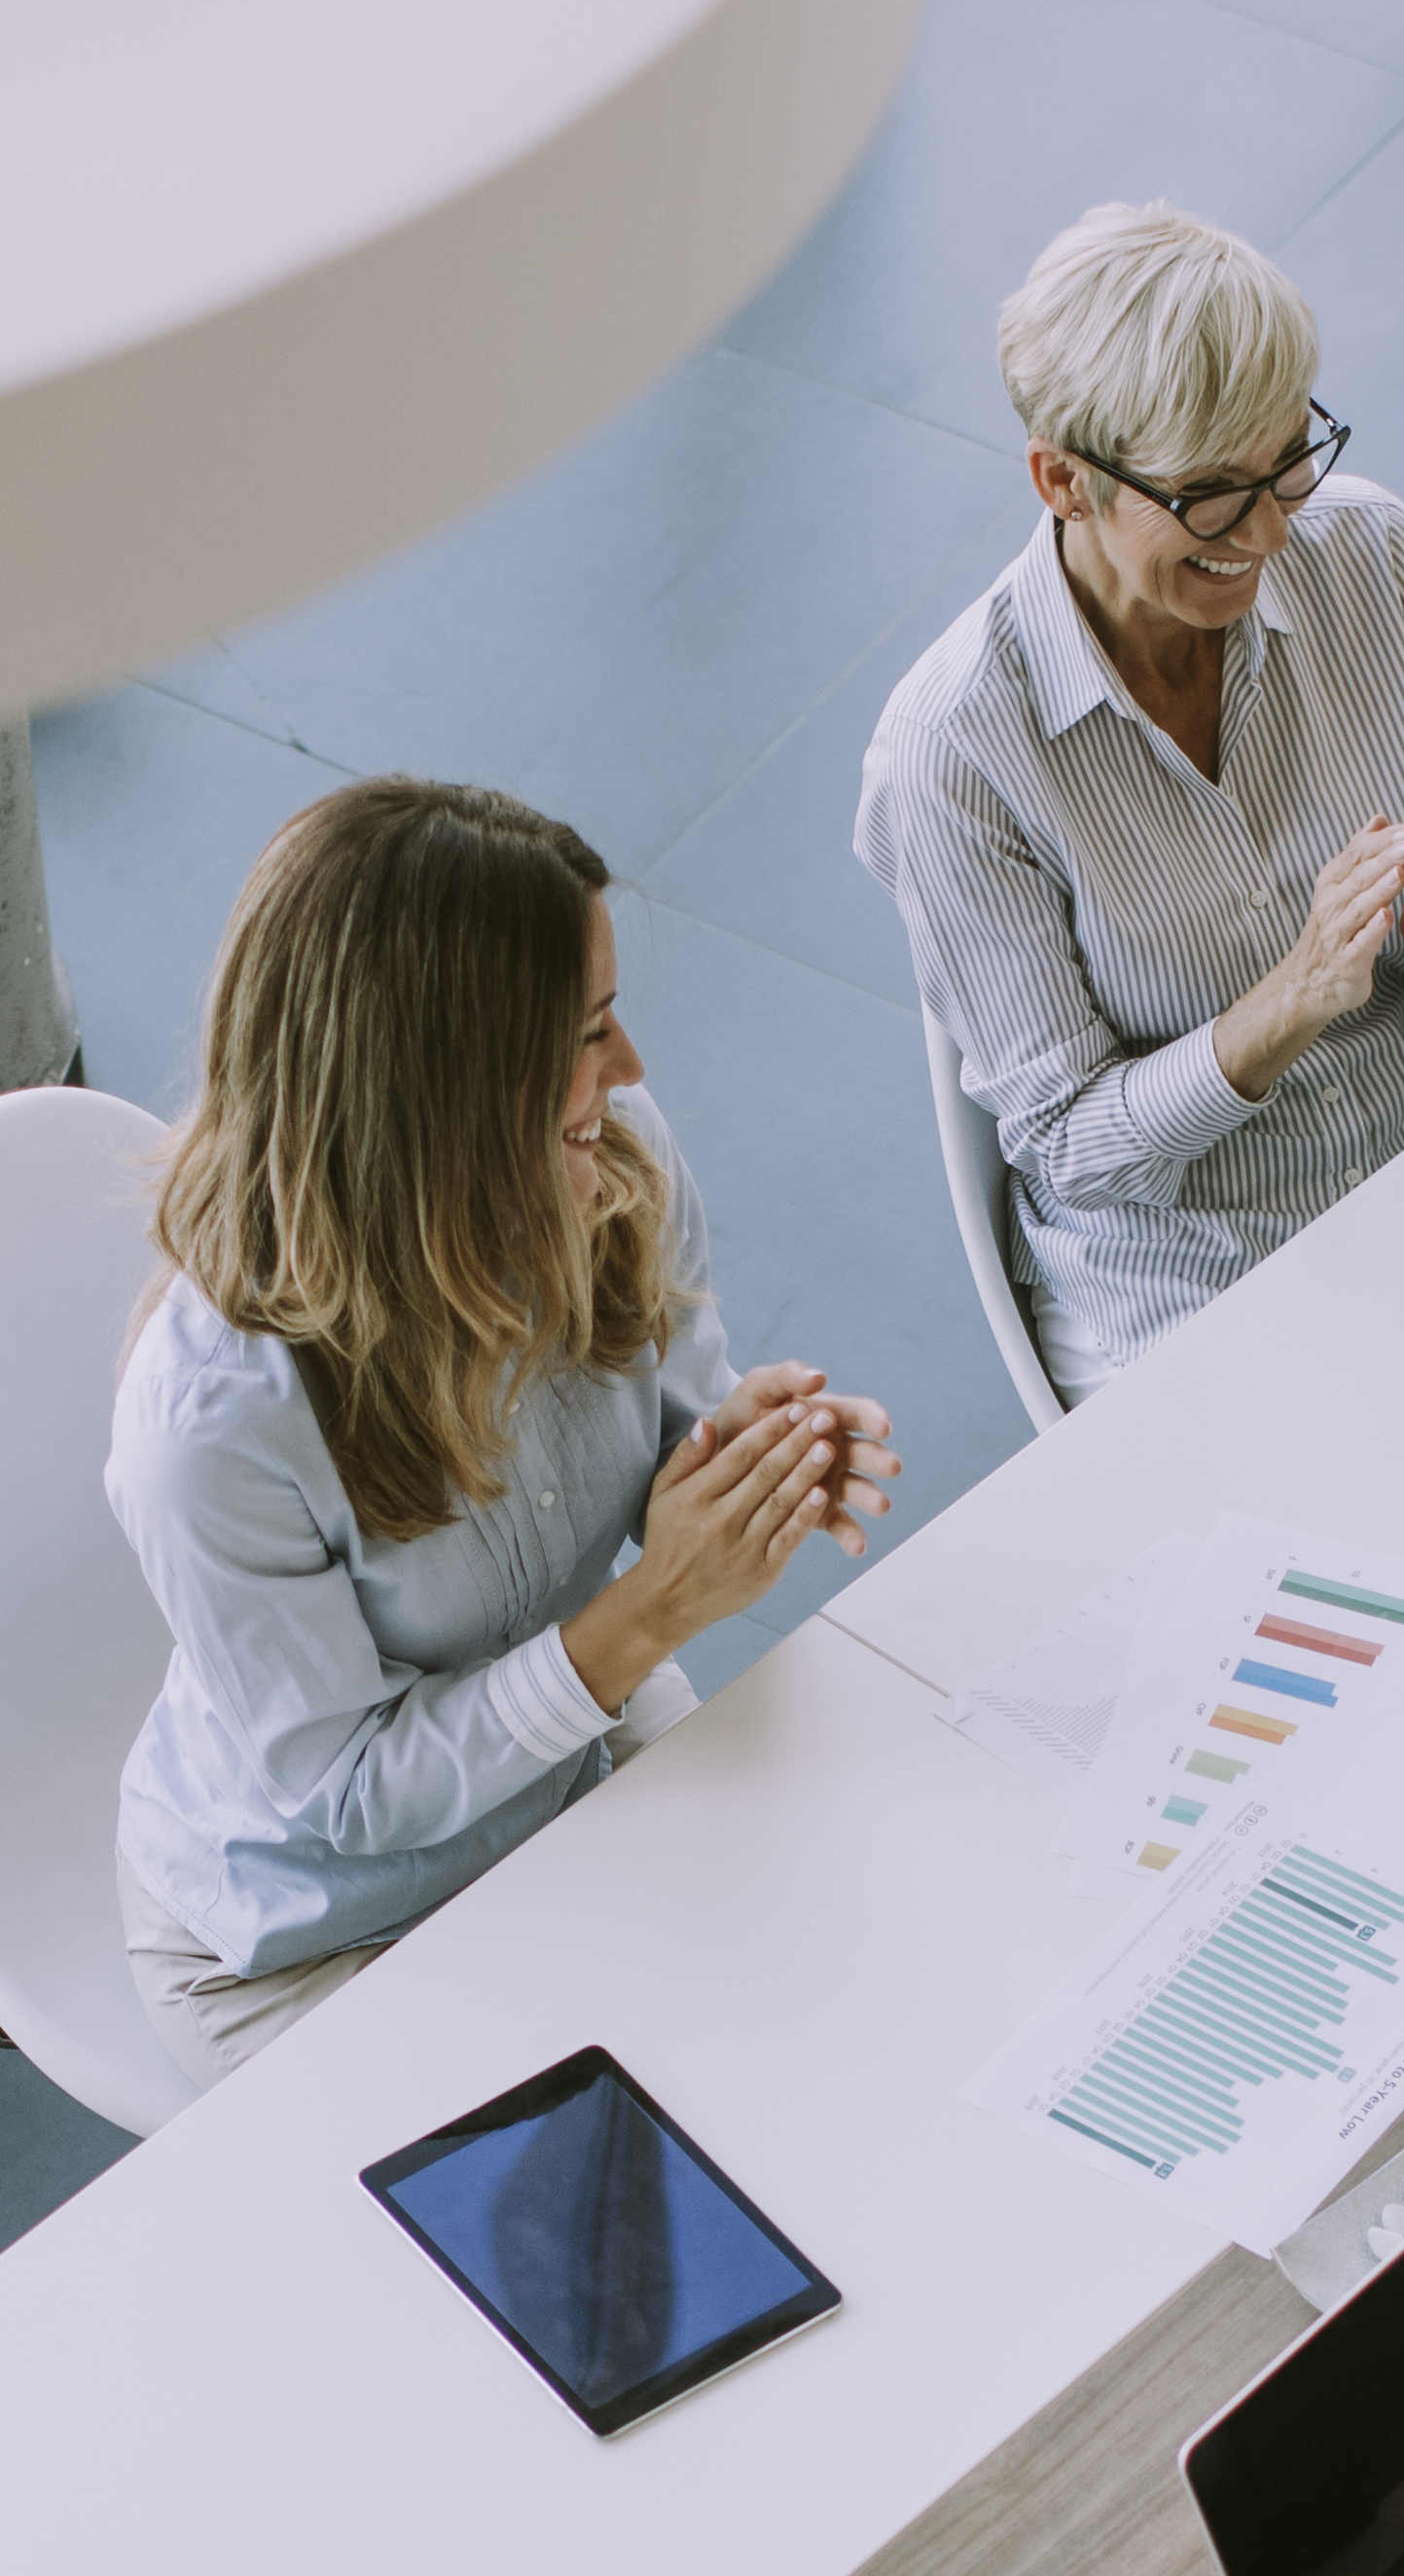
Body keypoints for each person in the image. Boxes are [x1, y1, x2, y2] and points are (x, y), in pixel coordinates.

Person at [106, 780, 895, 2078]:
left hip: (565, 1773)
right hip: (315, 1930)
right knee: (614, 2203)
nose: (630, 1069)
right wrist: (649, 1614)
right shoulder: (213, 1424)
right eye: (587, 1034)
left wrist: (742, 1459)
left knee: (839, 2006)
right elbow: (350, 1795)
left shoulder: (614, 1159)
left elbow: (664, 1432)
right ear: (448, 1089)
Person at [858, 200, 1404, 1405]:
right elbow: (1069, 1149)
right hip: (1203, 1291)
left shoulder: (1372, 556)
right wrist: (1285, 1006)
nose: (1274, 527)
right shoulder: (955, 753)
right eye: (1212, 495)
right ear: (1063, 481)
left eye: (1291, 458)